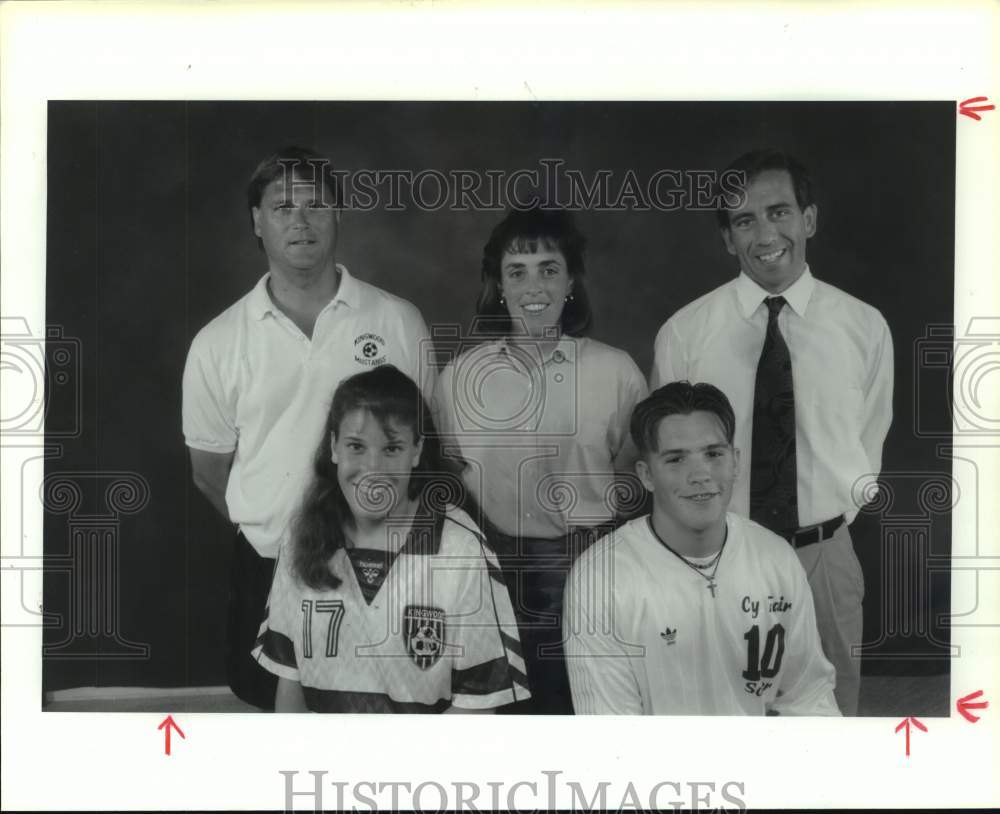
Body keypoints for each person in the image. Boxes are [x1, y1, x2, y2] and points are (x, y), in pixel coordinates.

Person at [182, 146, 434, 710]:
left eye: (317, 205)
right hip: (269, 564)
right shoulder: (218, 342)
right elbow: (208, 471)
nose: (301, 221)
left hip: (381, 561)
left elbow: (425, 444)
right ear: (257, 221)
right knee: (272, 709)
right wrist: (288, 529)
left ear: (339, 215)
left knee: (380, 714)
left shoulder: (396, 319)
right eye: (282, 207)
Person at [650, 149, 894, 715]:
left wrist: (829, 525)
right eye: (744, 220)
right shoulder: (686, 333)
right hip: (718, 552)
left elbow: (868, 436)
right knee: (723, 702)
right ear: (727, 240)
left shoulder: (863, 327)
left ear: (808, 219)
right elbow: (670, 457)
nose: (766, 233)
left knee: (830, 702)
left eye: (780, 212)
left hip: (823, 552)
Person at [432, 206, 647, 714]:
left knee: (583, 710)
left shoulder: (615, 373)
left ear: (571, 281)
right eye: (517, 271)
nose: (535, 286)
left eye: (550, 269)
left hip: (588, 567)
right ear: (498, 286)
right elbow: (450, 478)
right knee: (502, 715)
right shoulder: (459, 378)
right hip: (492, 572)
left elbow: (636, 482)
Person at [253, 365, 529, 712]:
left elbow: (478, 705)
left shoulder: (459, 548)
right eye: (356, 445)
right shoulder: (300, 537)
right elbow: (289, 681)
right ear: (334, 447)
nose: (373, 468)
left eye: (392, 448)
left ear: (416, 451)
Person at [564, 381, 839, 715]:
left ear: (735, 461)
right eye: (676, 459)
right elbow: (611, 735)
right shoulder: (601, 578)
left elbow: (809, 696)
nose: (701, 475)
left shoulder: (775, 557)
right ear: (646, 475)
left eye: (713, 454)